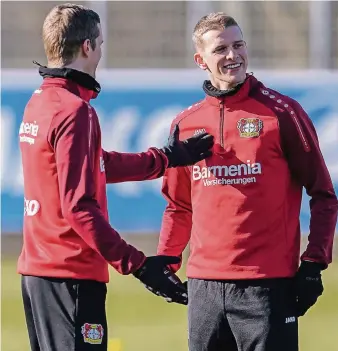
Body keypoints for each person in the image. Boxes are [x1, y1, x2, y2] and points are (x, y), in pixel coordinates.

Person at [18, 3, 214, 351]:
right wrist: (138, 266)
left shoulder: (40, 101)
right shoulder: (75, 110)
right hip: (71, 275)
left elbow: (95, 164)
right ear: (88, 47)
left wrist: (164, 159)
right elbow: (78, 207)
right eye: (101, 44)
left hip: (38, 273)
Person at [156, 12, 338, 351]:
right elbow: (179, 204)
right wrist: (166, 261)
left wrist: (314, 264)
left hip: (267, 286)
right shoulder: (186, 123)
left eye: (238, 45)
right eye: (221, 49)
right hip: (204, 288)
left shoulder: (283, 113)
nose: (232, 56)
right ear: (200, 60)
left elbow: (324, 195)